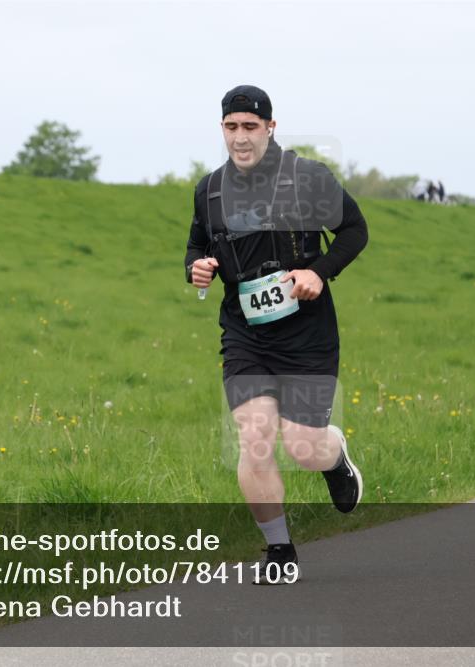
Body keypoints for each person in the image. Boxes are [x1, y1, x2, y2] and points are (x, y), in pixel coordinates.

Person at [184, 85, 368, 584]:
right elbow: (198, 244)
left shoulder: (307, 178)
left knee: (305, 447)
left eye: (250, 126)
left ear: (270, 127)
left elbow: (355, 230)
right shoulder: (210, 190)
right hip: (245, 333)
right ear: (221, 129)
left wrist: (320, 271)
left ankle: (334, 457)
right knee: (255, 437)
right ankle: (280, 552)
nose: (240, 137)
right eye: (231, 127)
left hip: (307, 333)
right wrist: (196, 268)